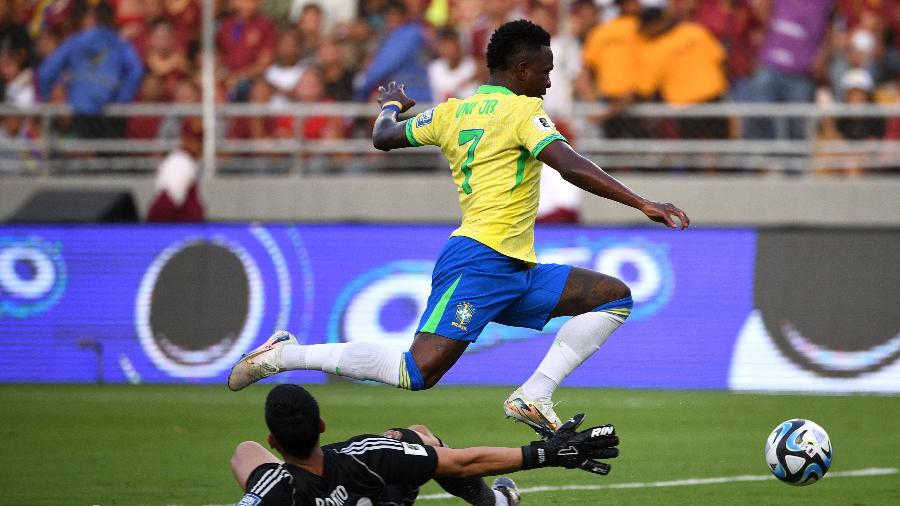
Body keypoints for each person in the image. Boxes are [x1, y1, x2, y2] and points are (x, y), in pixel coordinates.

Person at [229, 20, 689, 438]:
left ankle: (534, 396)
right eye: (546, 71)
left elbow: (384, 136)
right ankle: (284, 355)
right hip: (480, 261)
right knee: (416, 372)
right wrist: (641, 201)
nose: (549, 81)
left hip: (515, 268)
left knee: (613, 297)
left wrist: (391, 105)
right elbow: (569, 165)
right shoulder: (522, 114)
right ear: (522, 69)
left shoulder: (451, 113)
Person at [231, 384, 621, 505]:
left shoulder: (275, 489)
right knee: (419, 437)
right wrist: (546, 453)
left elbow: (244, 453)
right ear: (320, 425)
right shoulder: (368, 457)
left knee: (414, 436)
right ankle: (497, 504)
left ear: (274, 440)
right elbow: (463, 463)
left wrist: (278, 471)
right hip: (375, 485)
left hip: (300, 470)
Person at [36, 1, 143, 140]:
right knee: (108, 158)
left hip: (79, 112)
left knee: (76, 155)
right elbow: (136, 71)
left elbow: (46, 72)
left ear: (93, 18)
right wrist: (122, 100)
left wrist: (46, 97)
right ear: (113, 20)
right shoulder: (120, 44)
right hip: (108, 114)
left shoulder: (75, 41)